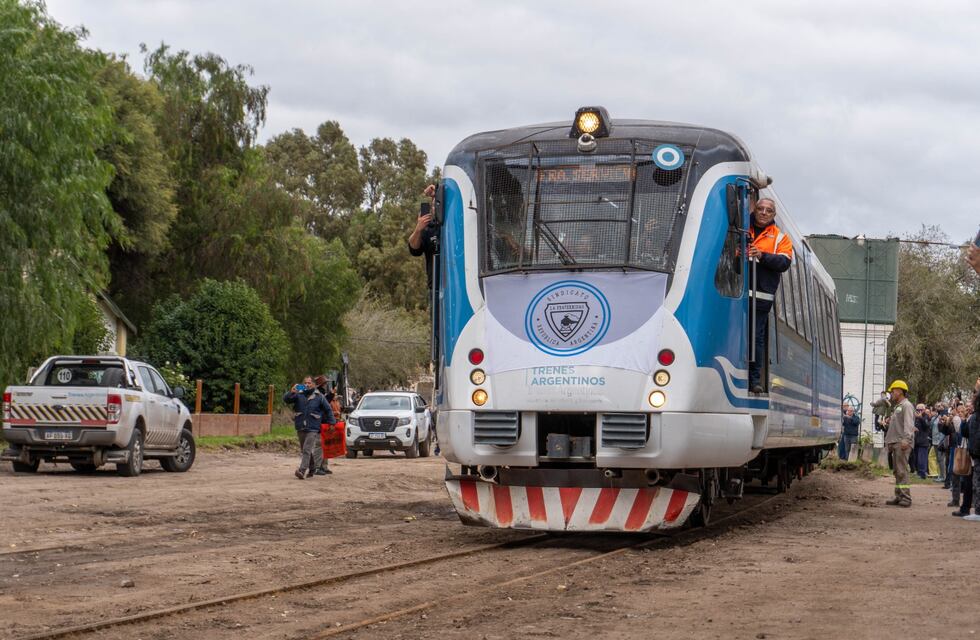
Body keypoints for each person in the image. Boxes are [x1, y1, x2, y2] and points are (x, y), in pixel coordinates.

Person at [746, 197, 793, 393]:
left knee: (756, 336)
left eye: (768, 210)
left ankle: (754, 379)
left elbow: (784, 262)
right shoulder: (742, 228)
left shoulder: (780, 238)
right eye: (761, 209)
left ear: (773, 214)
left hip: (761, 296)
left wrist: (762, 256)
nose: (764, 212)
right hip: (736, 292)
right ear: (755, 210)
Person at [284, 376, 334, 480]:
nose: (307, 384)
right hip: (300, 425)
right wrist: (291, 392)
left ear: (314, 384)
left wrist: (332, 422)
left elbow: (328, 409)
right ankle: (312, 468)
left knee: (307, 448)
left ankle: (302, 470)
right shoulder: (298, 394)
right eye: (305, 383)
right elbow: (286, 400)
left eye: (309, 383)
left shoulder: (319, 396)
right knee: (304, 449)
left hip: (313, 427)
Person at [883, 380, 915, 507]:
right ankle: (899, 496)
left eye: (893, 391)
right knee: (897, 471)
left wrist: (906, 439)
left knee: (902, 471)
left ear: (900, 391)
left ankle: (906, 497)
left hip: (902, 443)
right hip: (896, 442)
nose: (891, 394)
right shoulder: (898, 406)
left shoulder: (906, 405)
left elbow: (909, 424)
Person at [408, 184, 439, 289]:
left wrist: (437, 192)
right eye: (433, 205)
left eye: (437, 204)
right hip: (435, 288)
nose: (434, 208)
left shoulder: (453, 225)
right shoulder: (428, 228)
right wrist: (418, 229)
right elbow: (414, 250)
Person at [913, 404, 932, 479]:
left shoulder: (926, 417)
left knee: (922, 459)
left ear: (924, 410)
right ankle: (918, 472)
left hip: (923, 441)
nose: (919, 411)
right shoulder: (916, 418)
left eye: (920, 410)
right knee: (917, 458)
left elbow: (926, 425)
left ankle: (923, 473)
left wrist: (921, 418)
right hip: (917, 441)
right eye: (917, 410)